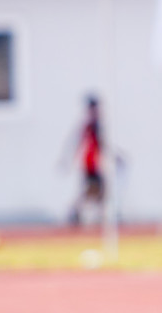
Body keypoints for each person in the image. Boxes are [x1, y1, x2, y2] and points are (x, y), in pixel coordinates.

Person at [66, 96, 106, 227]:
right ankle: (75, 211)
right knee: (93, 190)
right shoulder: (91, 126)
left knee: (98, 192)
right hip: (91, 163)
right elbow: (93, 143)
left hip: (94, 163)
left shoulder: (94, 125)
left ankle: (99, 217)